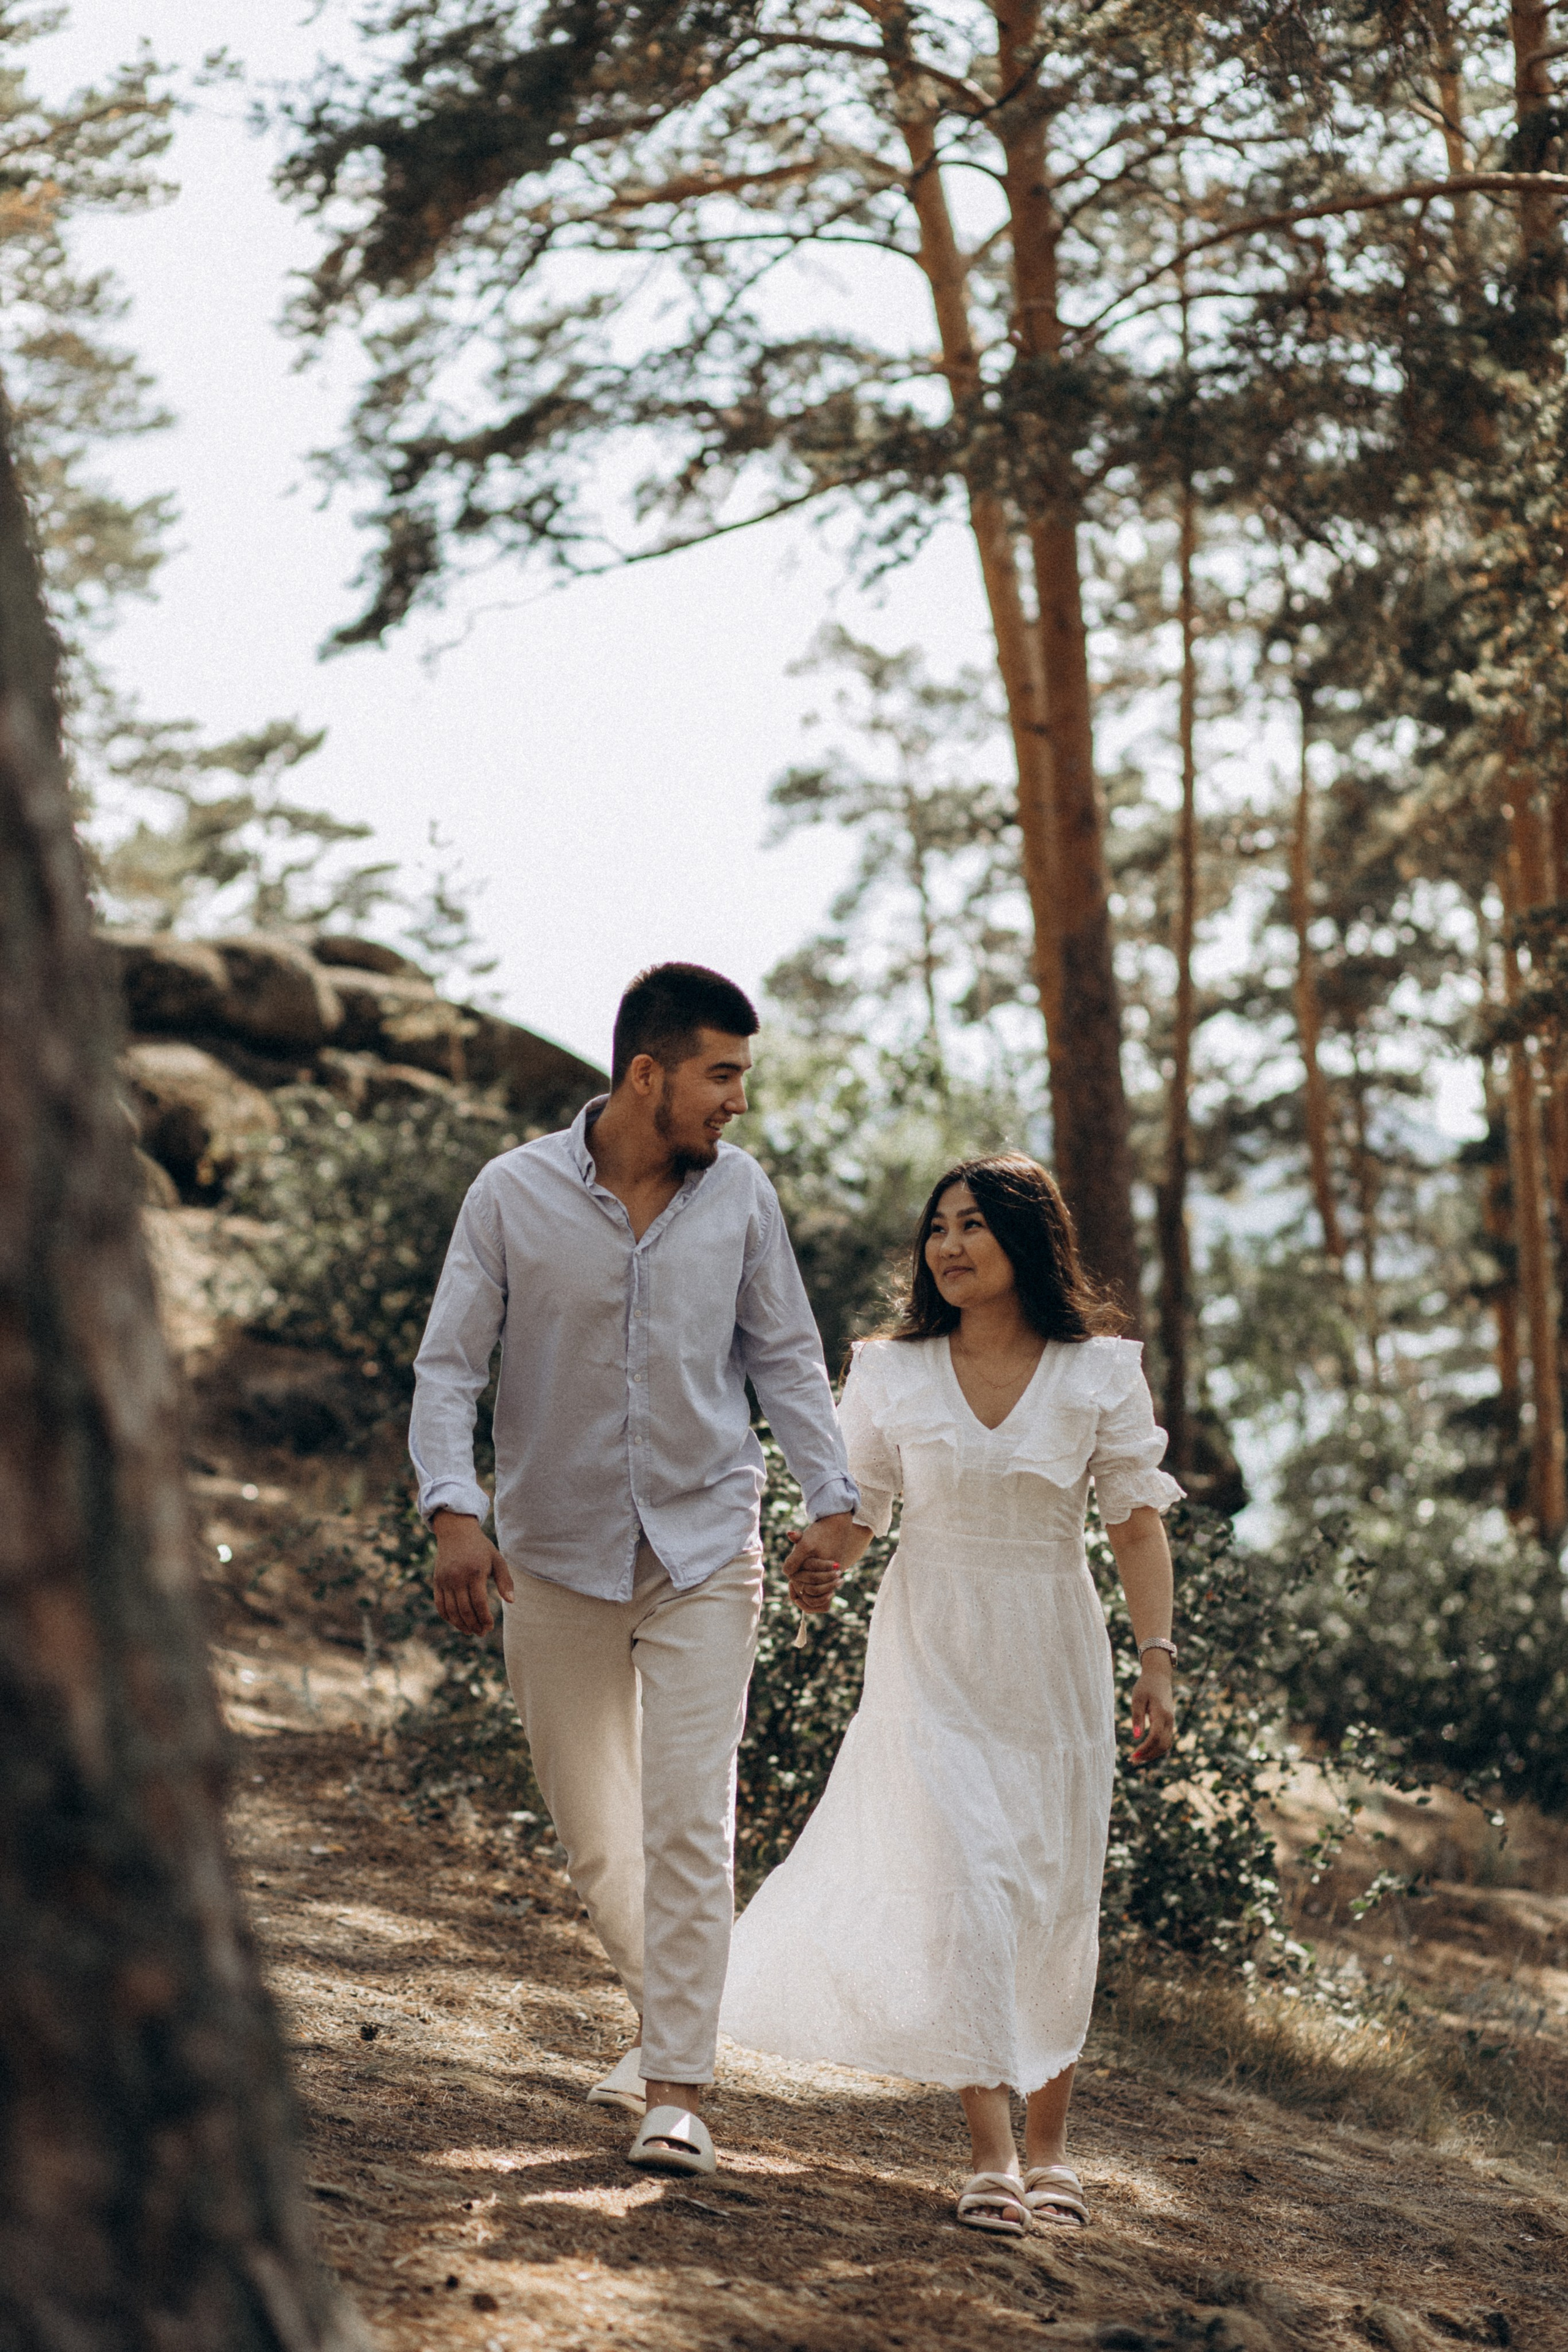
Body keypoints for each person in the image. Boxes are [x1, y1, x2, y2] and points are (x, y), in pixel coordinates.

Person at [409, 963, 856, 2177]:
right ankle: (683, 2014)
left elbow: (788, 1361)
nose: (738, 1104)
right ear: (646, 1075)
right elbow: (448, 1368)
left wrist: (836, 1501)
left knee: (685, 1823)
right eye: (722, 1076)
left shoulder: (741, 1196)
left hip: (707, 1547)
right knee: (597, 1835)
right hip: (550, 1558)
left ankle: (677, 2091)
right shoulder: (510, 1195)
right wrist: (454, 1511)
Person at [720, 1154, 1181, 2234]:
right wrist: (815, 1558)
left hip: (1053, 1655)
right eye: (938, 1227)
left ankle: (1055, 2149)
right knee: (969, 1886)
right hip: (930, 1650)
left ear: (1029, 1240)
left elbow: (1134, 1522)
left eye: (974, 1225)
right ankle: (988, 2153)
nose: (950, 1245)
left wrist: (1156, 1658)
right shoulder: (891, 1371)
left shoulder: (1101, 1371)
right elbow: (854, 1507)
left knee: (1051, 1895)